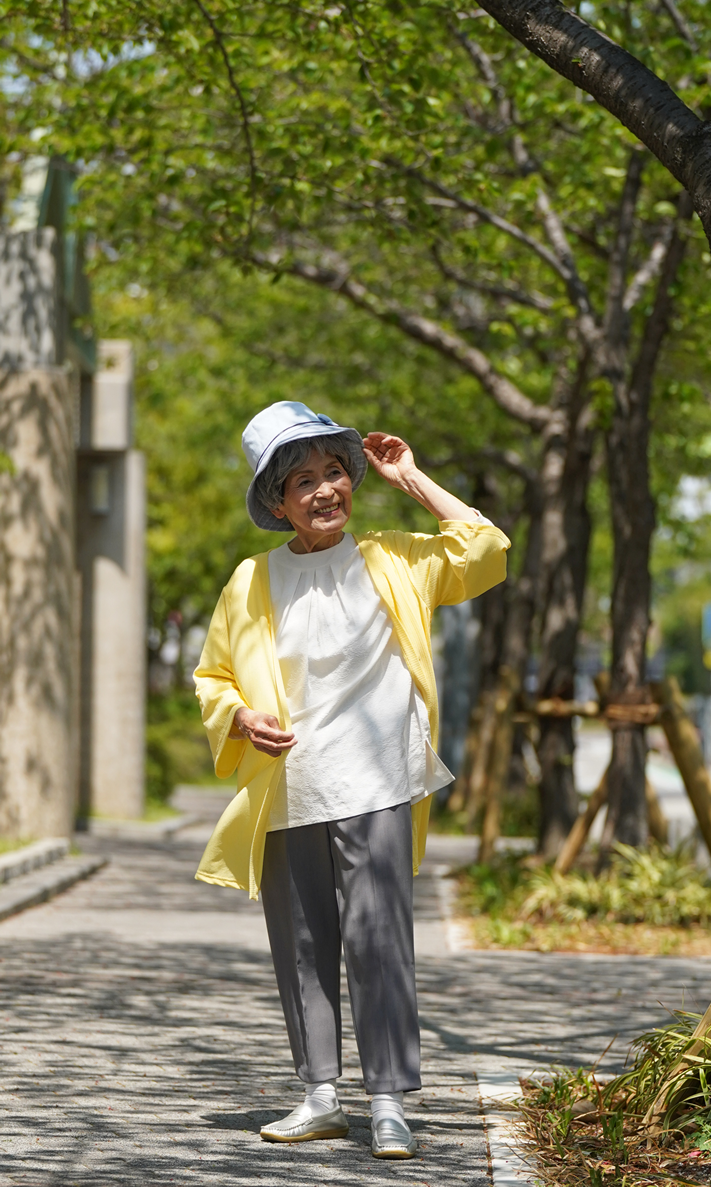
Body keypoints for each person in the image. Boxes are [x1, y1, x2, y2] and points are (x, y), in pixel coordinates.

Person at [194, 400, 509, 1159]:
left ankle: (390, 1100)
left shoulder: (396, 558)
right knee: (303, 946)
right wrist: (238, 718)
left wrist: (413, 479)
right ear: (277, 503)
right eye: (302, 480)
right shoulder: (251, 581)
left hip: (378, 781)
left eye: (334, 471)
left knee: (379, 942)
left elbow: (486, 548)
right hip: (289, 783)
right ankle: (321, 1095)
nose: (324, 489)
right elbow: (213, 675)